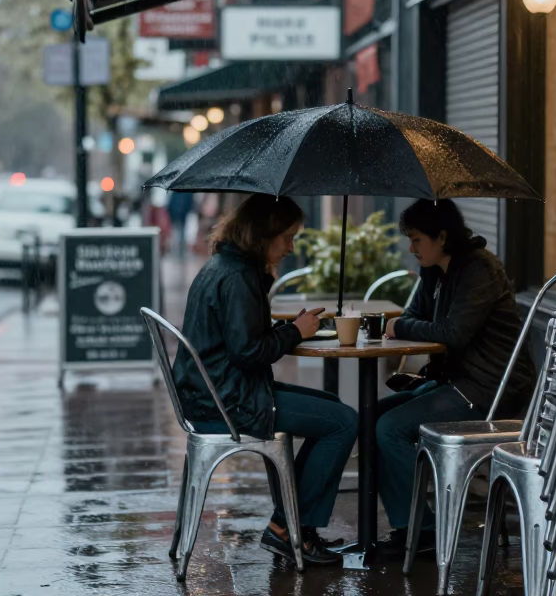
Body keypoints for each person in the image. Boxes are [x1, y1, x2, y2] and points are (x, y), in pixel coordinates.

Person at [176, 193, 356, 566]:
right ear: (262, 234)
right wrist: (295, 333)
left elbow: (241, 341)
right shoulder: (239, 277)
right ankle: (289, 527)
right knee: (343, 422)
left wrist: (288, 329)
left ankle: (292, 524)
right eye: (286, 237)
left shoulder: (226, 265)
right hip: (229, 401)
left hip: (218, 392)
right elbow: (248, 352)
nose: (291, 247)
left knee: (334, 409)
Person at [374, 199, 532, 556]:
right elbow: (417, 315)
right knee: (373, 416)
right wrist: (407, 323)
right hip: (457, 382)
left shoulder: (479, 269)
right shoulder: (435, 270)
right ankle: (408, 525)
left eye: (416, 240)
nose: (411, 248)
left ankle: (421, 531)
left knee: (389, 428)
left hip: (490, 390)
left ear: (441, 236)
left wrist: (399, 326)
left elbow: (452, 332)